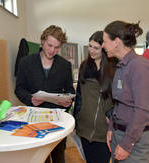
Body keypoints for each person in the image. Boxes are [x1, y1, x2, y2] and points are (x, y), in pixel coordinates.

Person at [15, 25, 75, 163]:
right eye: (49, 45)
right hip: (34, 118)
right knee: (40, 157)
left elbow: (70, 90)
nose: (52, 50)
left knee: (59, 155)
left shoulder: (65, 65)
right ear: (42, 41)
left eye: (56, 47)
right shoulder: (26, 62)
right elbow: (19, 89)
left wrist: (68, 100)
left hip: (57, 119)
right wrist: (30, 99)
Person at [103, 20, 149, 163]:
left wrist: (126, 144)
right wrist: (111, 127)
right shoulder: (121, 65)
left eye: (105, 41)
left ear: (116, 41)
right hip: (119, 134)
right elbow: (119, 103)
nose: (103, 45)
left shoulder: (139, 66)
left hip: (134, 141)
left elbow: (143, 110)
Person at [73, 31, 114, 163]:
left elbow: (118, 100)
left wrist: (113, 116)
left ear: (104, 48)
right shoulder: (84, 66)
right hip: (84, 128)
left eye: (96, 48)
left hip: (104, 131)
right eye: (90, 46)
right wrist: (75, 118)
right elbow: (79, 96)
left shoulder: (113, 69)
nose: (91, 50)